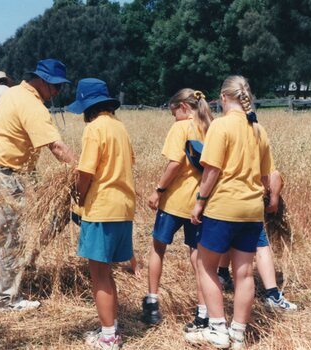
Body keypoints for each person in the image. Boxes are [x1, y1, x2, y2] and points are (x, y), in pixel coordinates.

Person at [0, 59, 76, 311]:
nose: (57, 93)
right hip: (4, 176)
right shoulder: (32, 104)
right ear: (42, 81)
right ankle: (8, 299)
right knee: (11, 238)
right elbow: (56, 146)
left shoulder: (12, 94)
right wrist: (84, 171)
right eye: (55, 87)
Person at [188, 75, 274, 349]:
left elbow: (211, 169)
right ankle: (238, 333)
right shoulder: (258, 130)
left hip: (224, 207)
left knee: (205, 265)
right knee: (244, 273)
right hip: (252, 210)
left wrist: (200, 201)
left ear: (223, 98)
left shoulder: (220, 126)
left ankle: (217, 329)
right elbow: (265, 176)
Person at [68, 78, 135, 350]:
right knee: (108, 273)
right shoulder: (120, 128)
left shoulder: (94, 129)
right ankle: (112, 327)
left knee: (99, 275)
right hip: (123, 207)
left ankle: (108, 337)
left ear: (87, 107)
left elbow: (86, 171)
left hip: (102, 208)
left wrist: (79, 195)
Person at [141, 89, 214, 335]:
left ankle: (152, 302)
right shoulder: (210, 126)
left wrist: (158, 190)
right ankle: (203, 312)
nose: (174, 118)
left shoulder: (180, 128)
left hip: (174, 201)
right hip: (199, 203)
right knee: (198, 257)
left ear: (183, 106)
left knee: (158, 248)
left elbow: (174, 163)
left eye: (174, 113)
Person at [217, 170, 297, 311]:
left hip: (224, 203)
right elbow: (274, 174)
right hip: (249, 204)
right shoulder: (256, 148)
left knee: (230, 238)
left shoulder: (223, 148)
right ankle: (272, 295)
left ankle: (222, 275)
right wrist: (274, 199)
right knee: (261, 246)